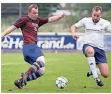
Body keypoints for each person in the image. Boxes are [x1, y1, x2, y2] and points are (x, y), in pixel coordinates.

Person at [1, 4, 65, 89]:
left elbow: (51, 19)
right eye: (34, 13)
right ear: (29, 13)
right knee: (42, 60)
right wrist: (2, 34)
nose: (36, 15)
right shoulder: (24, 19)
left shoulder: (38, 20)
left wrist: (60, 16)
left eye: (37, 13)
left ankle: (20, 81)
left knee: (41, 71)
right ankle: (26, 74)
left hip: (30, 49)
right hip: (29, 46)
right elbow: (12, 27)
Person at [71, 6, 111, 87]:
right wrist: (73, 33)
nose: (95, 17)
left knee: (105, 74)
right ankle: (96, 78)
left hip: (100, 49)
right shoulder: (85, 20)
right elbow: (73, 26)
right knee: (90, 51)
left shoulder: (105, 23)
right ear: (91, 14)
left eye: (97, 16)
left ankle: (93, 71)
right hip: (88, 45)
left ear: (101, 15)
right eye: (94, 15)